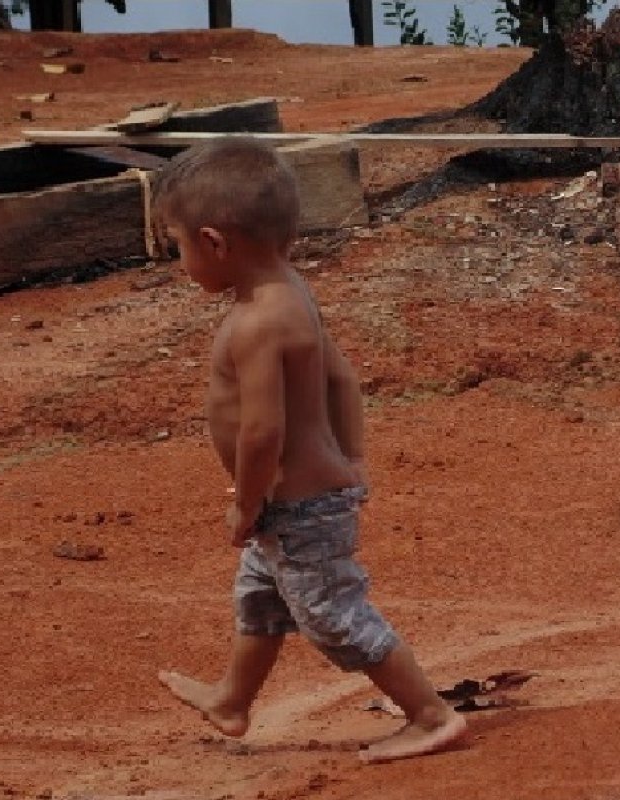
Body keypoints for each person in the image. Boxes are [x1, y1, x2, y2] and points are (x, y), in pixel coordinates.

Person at [150, 137, 467, 764]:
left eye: (178, 246)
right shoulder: (290, 290)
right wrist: (355, 458)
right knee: (262, 599)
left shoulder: (257, 321)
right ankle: (233, 702)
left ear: (215, 243)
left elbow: (262, 431)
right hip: (304, 499)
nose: (180, 260)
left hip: (295, 506)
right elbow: (340, 378)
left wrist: (246, 504)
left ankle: (430, 715)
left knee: (331, 614)